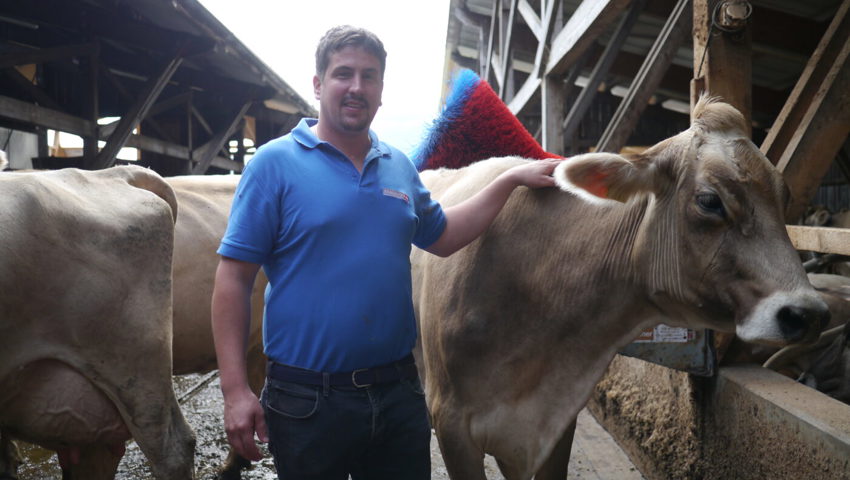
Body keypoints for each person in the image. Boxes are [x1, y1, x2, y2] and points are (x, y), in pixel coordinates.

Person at [211, 24, 563, 480]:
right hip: (308, 399)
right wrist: (235, 390)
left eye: (369, 76)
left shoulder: (397, 165)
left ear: (381, 90)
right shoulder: (274, 165)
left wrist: (509, 180)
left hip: (397, 393)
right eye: (343, 74)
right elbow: (233, 278)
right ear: (318, 85)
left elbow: (444, 235)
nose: (356, 87)